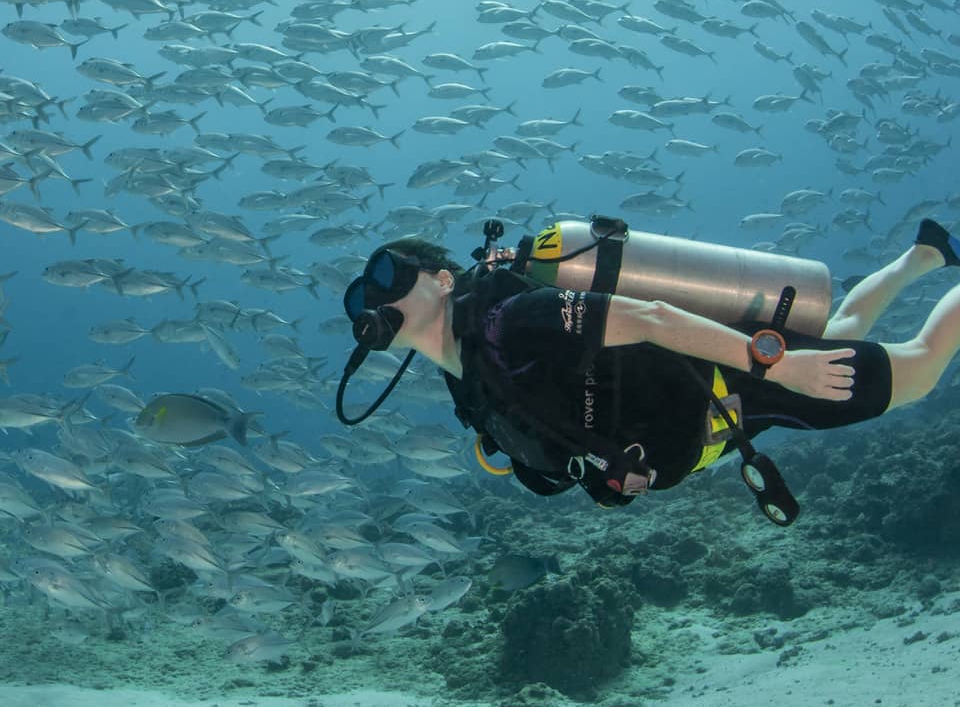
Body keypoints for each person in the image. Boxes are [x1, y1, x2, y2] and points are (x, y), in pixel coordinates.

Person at [339, 218, 960, 513]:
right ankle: (924, 255)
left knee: (923, 371)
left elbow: (654, 318)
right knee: (840, 332)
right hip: (707, 425)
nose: (375, 298)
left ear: (444, 280)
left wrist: (777, 369)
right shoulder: (465, 379)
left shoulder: (514, 321)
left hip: (730, 383)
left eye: (387, 275)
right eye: (361, 299)